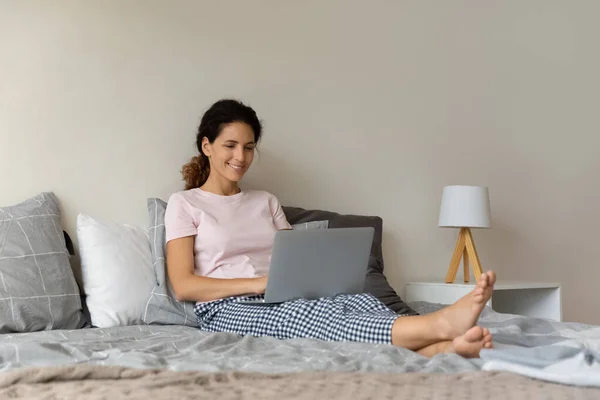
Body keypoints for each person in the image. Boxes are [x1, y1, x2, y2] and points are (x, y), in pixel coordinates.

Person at [165, 99, 496, 358]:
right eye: (231, 145)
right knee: (305, 319)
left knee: (358, 303)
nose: (241, 156)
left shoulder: (265, 201)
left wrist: (302, 282)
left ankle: (442, 349)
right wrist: (256, 284)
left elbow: (294, 260)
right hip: (226, 307)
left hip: (282, 294)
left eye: (249, 147)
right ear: (207, 146)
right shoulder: (185, 203)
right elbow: (183, 285)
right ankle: (439, 325)